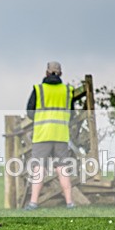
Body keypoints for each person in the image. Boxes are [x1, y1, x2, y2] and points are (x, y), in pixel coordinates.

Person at [24, 61, 75, 210]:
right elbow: (72, 113)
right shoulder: (67, 90)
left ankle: (33, 203)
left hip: (42, 134)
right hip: (61, 134)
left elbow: (30, 112)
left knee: (39, 168)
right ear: (61, 73)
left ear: (46, 72)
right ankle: (70, 203)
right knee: (62, 167)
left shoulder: (39, 89)